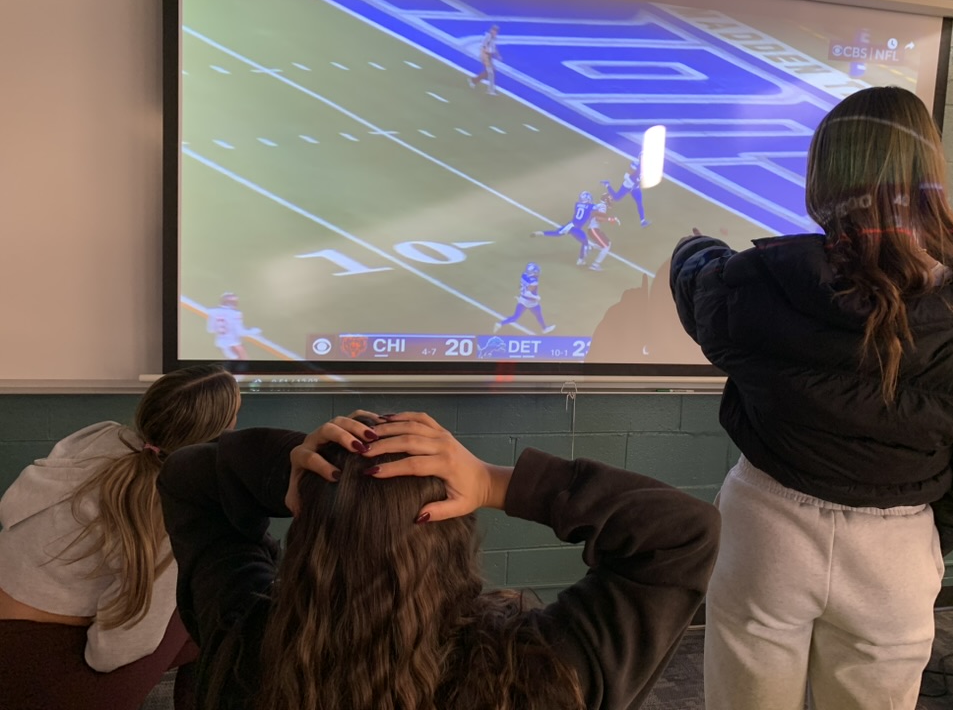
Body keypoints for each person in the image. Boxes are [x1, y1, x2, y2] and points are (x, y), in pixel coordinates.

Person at [669, 86, 953, 710]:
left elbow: (697, 284)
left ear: (824, 178)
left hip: (764, 527)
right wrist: (930, 534)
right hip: (896, 548)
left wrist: (694, 247)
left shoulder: (755, 287)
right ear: (929, 178)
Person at [156, 411, 721, 710]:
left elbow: (187, 477)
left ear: (306, 527)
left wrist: (299, 470)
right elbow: (682, 535)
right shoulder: (541, 677)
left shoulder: (246, 644)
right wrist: (494, 481)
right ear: (457, 533)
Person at [0, 364, 242, 710]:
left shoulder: (97, 437)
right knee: (206, 612)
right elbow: (110, 654)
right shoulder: (169, 508)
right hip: (36, 673)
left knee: (195, 626)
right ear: (219, 433)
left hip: (11, 622)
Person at [531, 190, 597, 266]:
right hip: (576, 228)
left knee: (557, 233)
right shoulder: (591, 207)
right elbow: (596, 209)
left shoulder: (577, 204)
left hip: (570, 225)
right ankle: (581, 260)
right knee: (585, 242)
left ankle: (540, 233)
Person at [494, 261, 556, 334]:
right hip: (531, 302)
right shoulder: (534, 281)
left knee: (515, 317)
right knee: (538, 314)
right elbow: (528, 293)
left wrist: (521, 294)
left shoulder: (524, 275)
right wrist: (536, 297)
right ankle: (544, 328)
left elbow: (521, 286)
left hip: (522, 299)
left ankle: (500, 324)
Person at [206, 292, 261, 360]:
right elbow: (240, 332)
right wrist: (254, 331)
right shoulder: (235, 314)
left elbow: (211, 330)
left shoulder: (213, 312)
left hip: (220, 343)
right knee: (244, 363)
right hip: (233, 345)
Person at [602, 158, 649, 227]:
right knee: (616, 198)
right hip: (628, 185)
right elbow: (626, 176)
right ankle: (607, 185)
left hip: (635, 188)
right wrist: (632, 184)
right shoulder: (635, 165)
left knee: (639, 202)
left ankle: (643, 221)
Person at [581, 191, 620, 271]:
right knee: (605, 247)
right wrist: (610, 219)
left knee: (608, 243)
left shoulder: (600, 205)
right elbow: (598, 218)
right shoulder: (603, 206)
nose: (611, 201)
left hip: (594, 229)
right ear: (606, 200)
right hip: (593, 229)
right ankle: (595, 265)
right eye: (610, 199)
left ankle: (591, 247)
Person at [467, 24, 502, 94]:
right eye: (494, 30)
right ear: (491, 30)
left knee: (488, 73)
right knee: (491, 73)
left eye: (496, 31)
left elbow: (493, 47)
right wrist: (485, 59)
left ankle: (473, 81)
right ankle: (490, 90)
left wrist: (498, 55)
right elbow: (483, 48)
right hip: (486, 56)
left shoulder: (493, 38)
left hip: (489, 56)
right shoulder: (488, 37)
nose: (495, 32)